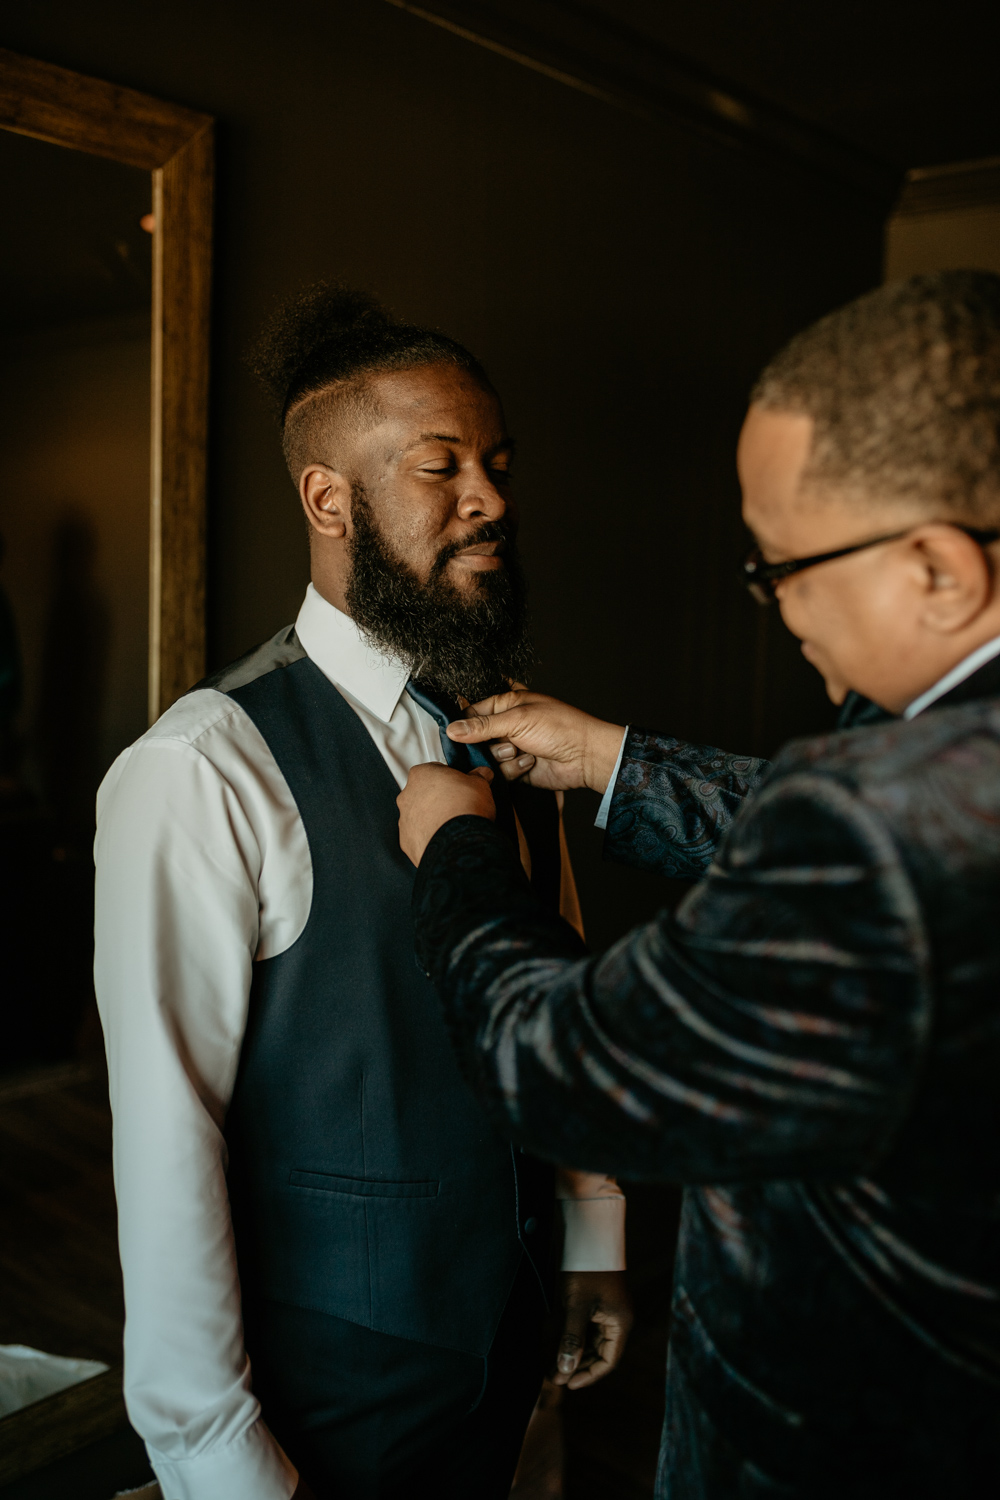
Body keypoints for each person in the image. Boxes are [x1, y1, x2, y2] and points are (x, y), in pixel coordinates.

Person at [396, 270, 1000, 1497]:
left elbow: (559, 1062)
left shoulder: (867, 825)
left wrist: (456, 851)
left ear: (938, 569)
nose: (775, 606)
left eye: (779, 565)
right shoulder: (920, 800)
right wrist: (618, 763)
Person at [94, 285, 631, 1500]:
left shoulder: (516, 730)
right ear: (327, 498)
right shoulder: (201, 768)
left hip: (521, 1353)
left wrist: (590, 1237)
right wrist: (216, 1461)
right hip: (335, 1395)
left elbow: (557, 994)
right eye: (442, 467)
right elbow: (166, 1142)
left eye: (496, 464)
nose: (491, 498)